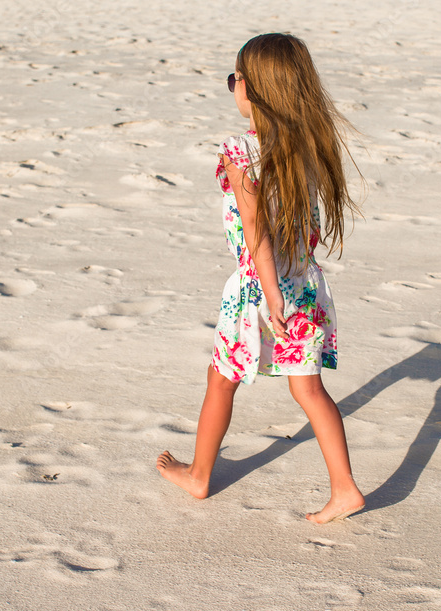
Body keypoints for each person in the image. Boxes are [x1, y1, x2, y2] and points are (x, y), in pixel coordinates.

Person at [156, 33, 366, 523]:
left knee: (221, 379)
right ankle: (345, 488)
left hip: (259, 290)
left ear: (250, 90)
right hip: (307, 286)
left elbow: (256, 231)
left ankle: (200, 475)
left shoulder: (240, 150)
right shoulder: (308, 145)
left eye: (234, 79)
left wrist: (269, 294)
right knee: (308, 390)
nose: (233, 87)